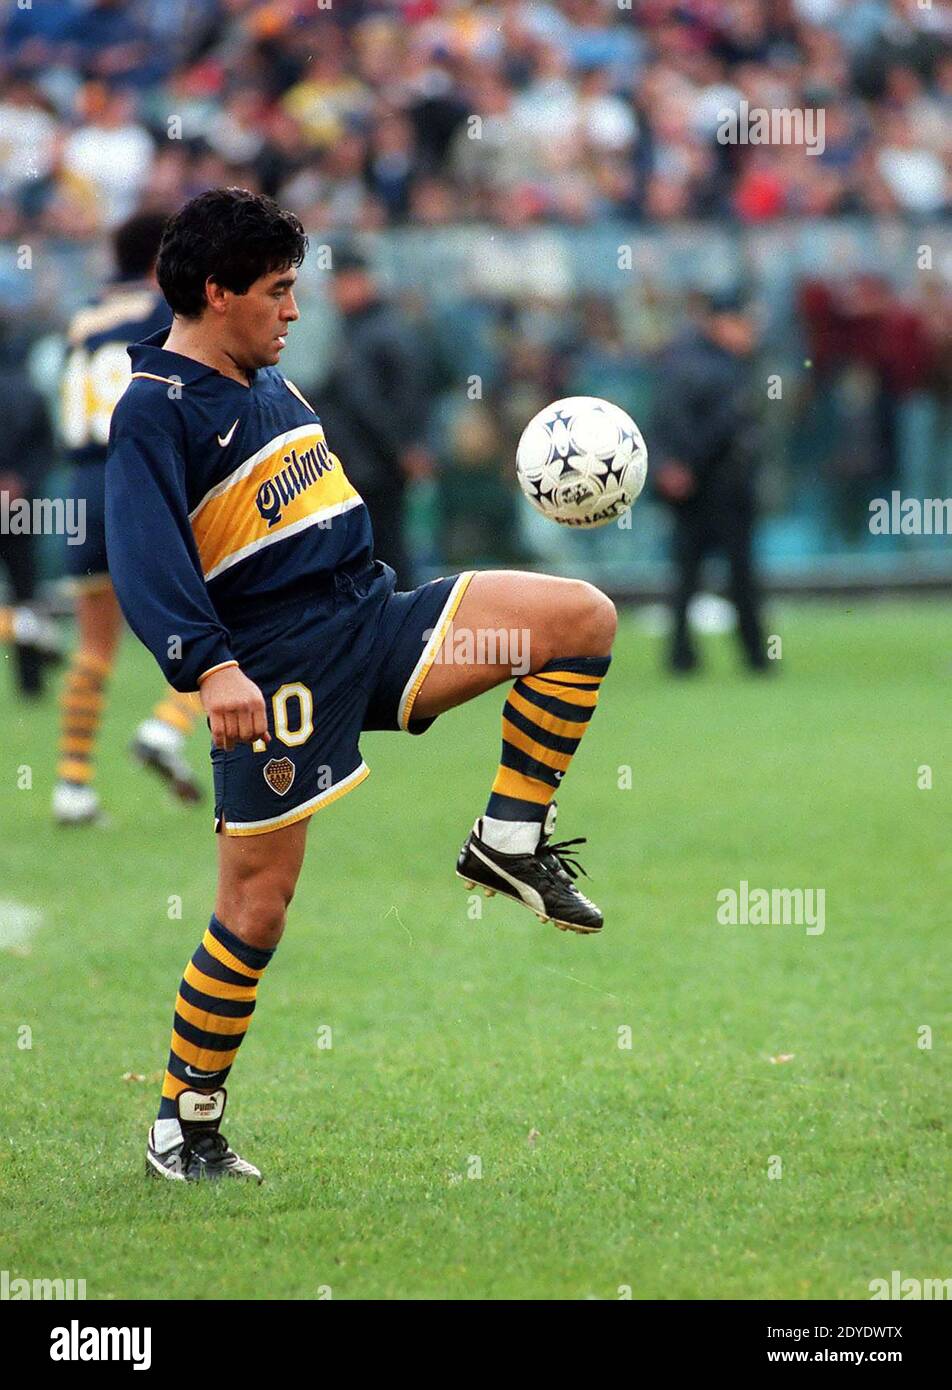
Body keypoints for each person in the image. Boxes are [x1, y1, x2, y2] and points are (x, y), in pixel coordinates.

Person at [105, 188, 618, 1184]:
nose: (294, 311)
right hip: (277, 676)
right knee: (255, 911)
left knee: (578, 619)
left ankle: (507, 837)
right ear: (217, 294)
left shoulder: (268, 380)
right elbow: (143, 558)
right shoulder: (154, 412)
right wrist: (209, 667)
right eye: (277, 292)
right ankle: (185, 1122)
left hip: (377, 621)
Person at [53, 210, 204, 826]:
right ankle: (166, 727)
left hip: (80, 485)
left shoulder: (84, 315)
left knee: (93, 646)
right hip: (142, 480)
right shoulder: (166, 309)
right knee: (219, 619)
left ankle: (71, 784)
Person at [652, 290, 767, 673]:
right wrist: (683, 465)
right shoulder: (719, 367)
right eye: (741, 322)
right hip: (717, 488)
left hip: (698, 486)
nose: (749, 331)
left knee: (687, 576)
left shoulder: (684, 360)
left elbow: (663, 420)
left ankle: (681, 657)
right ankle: (754, 658)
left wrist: (671, 466)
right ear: (720, 323)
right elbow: (718, 427)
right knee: (738, 576)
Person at [310, 245, 432, 588]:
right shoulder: (365, 328)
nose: (335, 292)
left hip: (371, 465)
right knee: (382, 549)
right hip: (370, 461)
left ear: (361, 281)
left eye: (342, 282)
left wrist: (404, 447)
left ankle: (402, 629)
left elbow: (370, 399)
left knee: (382, 550)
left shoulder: (377, 330)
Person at [0, 320, 61, 697]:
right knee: (26, 588)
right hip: (21, 506)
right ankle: (31, 681)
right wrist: (19, 481)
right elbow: (46, 450)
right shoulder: (30, 390)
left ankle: (29, 630)